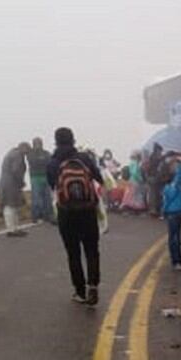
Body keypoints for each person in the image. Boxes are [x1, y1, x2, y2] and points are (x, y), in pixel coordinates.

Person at [47, 127, 104, 305]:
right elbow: (99, 179)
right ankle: (93, 286)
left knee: (73, 253)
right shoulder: (84, 158)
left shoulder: (53, 162)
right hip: (87, 211)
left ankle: (80, 292)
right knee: (91, 250)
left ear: (56, 141)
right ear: (73, 140)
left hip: (66, 213)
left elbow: (52, 185)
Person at [162, 157, 181, 271]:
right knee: (174, 239)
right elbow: (179, 175)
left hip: (177, 213)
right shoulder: (172, 186)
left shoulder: (173, 185)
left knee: (176, 238)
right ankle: (176, 262)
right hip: (174, 213)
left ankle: (180, 261)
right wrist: (180, 163)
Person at [0, 142, 30, 237]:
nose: (27, 153)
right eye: (27, 150)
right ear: (23, 148)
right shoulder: (17, 155)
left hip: (7, 182)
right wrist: (21, 182)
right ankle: (11, 230)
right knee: (10, 206)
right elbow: (16, 171)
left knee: (13, 206)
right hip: (11, 184)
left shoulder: (12, 153)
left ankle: (15, 228)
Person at [27, 137, 55, 224]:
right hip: (35, 178)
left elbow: (49, 162)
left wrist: (41, 160)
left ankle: (49, 215)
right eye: (36, 143)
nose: (38, 145)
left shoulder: (46, 153)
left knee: (47, 198)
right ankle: (37, 216)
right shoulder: (30, 154)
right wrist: (42, 160)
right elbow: (33, 162)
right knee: (37, 199)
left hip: (46, 177)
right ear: (33, 144)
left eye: (39, 143)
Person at [143, 143, 165, 217]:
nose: (161, 152)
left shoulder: (151, 157)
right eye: (160, 150)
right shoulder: (157, 158)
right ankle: (154, 210)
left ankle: (153, 209)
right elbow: (159, 168)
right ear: (157, 150)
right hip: (154, 177)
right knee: (155, 194)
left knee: (153, 194)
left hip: (150, 177)